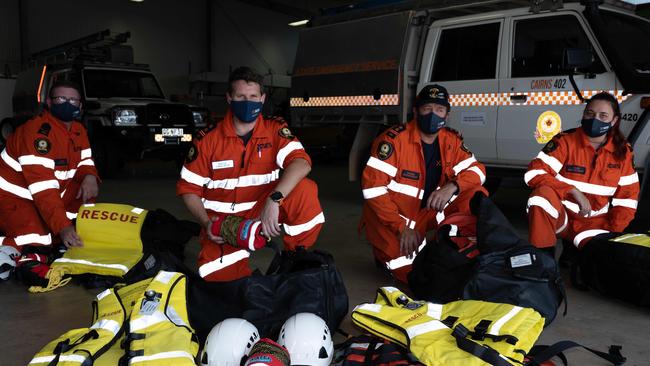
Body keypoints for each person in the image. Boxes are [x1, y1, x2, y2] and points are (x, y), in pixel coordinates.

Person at [177, 66, 324, 282]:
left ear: (263, 98)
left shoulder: (274, 130)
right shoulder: (208, 140)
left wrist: (274, 200)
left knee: (305, 189)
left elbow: (301, 163)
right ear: (229, 98)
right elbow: (188, 190)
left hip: (264, 209)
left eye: (253, 96)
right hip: (225, 225)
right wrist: (207, 223)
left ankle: (295, 258)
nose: (248, 102)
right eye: (240, 96)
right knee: (221, 284)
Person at [360, 84, 488, 283]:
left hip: (426, 213)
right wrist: (401, 227)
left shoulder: (451, 140)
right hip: (392, 218)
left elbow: (478, 170)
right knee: (412, 274)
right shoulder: (393, 141)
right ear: (415, 111)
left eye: (439, 110)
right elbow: (372, 189)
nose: (433, 115)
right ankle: (383, 254)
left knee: (476, 193)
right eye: (427, 109)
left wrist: (452, 186)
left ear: (447, 115)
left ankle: (456, 243)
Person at [525, 92, 639, 252]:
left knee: (596, 268)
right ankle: (543, 264)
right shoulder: (565, 141)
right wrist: (572, 191)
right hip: (561, 217)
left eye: (603, 116)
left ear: (614, 121)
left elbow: (627, 200)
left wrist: (613, 232)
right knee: (540, 197)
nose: (595, 119)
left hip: (593, 224)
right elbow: (534, 173)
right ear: (584, 114)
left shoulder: (623, 152)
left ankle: (574, 253)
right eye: (590, 114)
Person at [0, 81, 99, 251]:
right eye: (61, 98)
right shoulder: (37, 134)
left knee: (86, 191)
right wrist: (63, 227)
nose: (68, 104)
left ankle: (67, 230)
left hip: (47, 195)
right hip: (14, 198)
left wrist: (90, 175)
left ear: (80, 105)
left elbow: (85, 161)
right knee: (37, 243)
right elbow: (43, 187)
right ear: (49, 102)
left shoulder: (78, 130)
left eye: (73, 100)